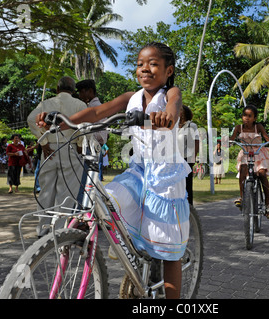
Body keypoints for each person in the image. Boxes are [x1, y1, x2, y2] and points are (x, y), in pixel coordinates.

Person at [35, 43, 187, 299]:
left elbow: (174, 105)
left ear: (168, 70)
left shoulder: (170, 92)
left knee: (169, 251)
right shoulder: (131, 98)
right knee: (107, 200)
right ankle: (99, 244)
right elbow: (95, 112)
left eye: (153, 64)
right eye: (140, 64)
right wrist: (61, 120)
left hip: (165, 178)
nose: (145, 69)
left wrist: (167, 116)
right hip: (138, 171)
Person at [27, 76, 87, 237]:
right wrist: (80, 144)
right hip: (70, 147)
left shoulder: (45, 104)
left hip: (50, 149)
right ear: (73, 90)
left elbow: (31, 119)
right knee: (67, 191)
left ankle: (43, 228)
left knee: (46, 190)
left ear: (57, 89)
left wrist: (44, 141)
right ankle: (59, 229)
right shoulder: (79, 104)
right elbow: (83, 126)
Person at [231, 105, 269, 219]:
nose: (246, 118)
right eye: (244, 115)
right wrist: (225, 142)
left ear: (255, 118)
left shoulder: (258, 127)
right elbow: (232, 139)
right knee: (243, 170)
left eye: (250, 116)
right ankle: (242, 198)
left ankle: (267, 202)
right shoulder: (238, 128)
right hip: (245, 153)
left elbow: (267, 138)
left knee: (261, 173)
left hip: (258, 153)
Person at [76, 79, 108, 181]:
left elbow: (85, 130)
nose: (80, 96)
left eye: (81, 92)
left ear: (90, 91)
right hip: (96, 146)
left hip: (92, 147)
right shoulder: (96, 106)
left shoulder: (92, 108)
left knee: (85, 181)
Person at [177, 104, 199, 205]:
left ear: (185, 113)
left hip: (186, 159)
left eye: (179, 110)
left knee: (187, 185)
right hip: (174, 159)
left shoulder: (191, 126)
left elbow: (196, 142)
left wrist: (193, 158)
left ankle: (189, 209)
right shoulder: (173, 125)